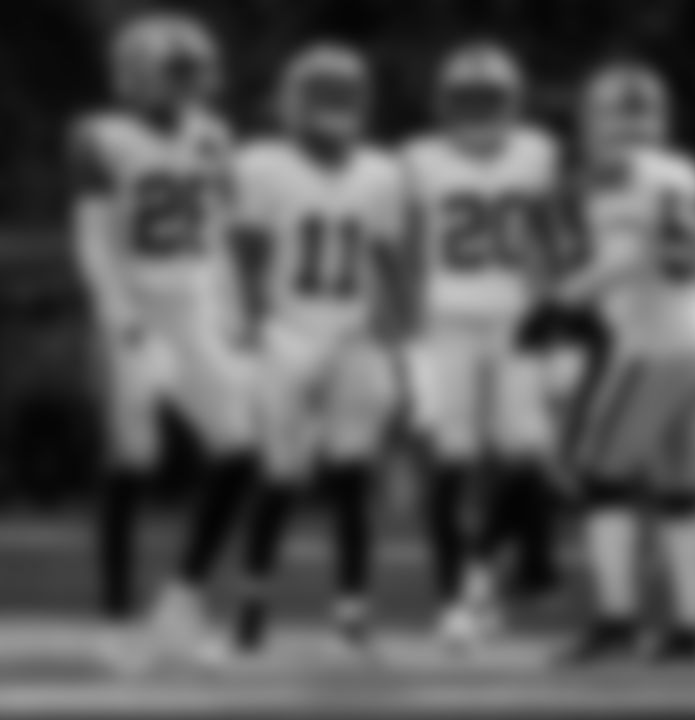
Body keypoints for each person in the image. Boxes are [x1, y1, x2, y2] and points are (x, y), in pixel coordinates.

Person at [67, 11, 257, 667]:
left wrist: (234, 316)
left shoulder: (214, 135)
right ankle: (117, 623)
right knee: (132, 463)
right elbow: (94, 241)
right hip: (139, 307)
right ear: (138, 75)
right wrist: (121, 319)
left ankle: (180, 602)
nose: (189, 85)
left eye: (192, 72)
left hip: (197, 309)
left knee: (239, 451)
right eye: (176, 72)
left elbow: (220, 232)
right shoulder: (102, 137)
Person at [220, 43, 409, 659]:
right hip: (285, 330)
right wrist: (245, 323)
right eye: (321, 96)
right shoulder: (261, 165)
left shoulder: (382, 172)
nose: (333, 109)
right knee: (279, 476)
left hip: (352, 332)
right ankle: (251, 611)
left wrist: (393, 325)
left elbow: (386, 259)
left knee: (351, 476)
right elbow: (243, 251)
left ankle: (352, 615)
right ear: (293, 103)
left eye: (342, 96)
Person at [557, 61, 695, 665]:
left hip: (657, 348)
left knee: (601, 476)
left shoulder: (621, 176)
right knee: (684, 491)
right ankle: (692, 630)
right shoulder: (682, 170)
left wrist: (567, 298)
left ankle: (617, 621)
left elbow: (644, 250)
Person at [399, 40, 565, 648]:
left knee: (526, 454)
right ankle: (456, 597)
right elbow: (410, 250)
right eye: (466, 98)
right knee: (450, 463)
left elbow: (551, 242)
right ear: (444, 102)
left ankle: (478, 579)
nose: (476, 109)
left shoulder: (537, 153)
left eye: (487, 98)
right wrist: (408, 338)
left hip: (516, 319)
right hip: (444, 321)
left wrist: (555, 319)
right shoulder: (417, 158)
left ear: (512, 101)